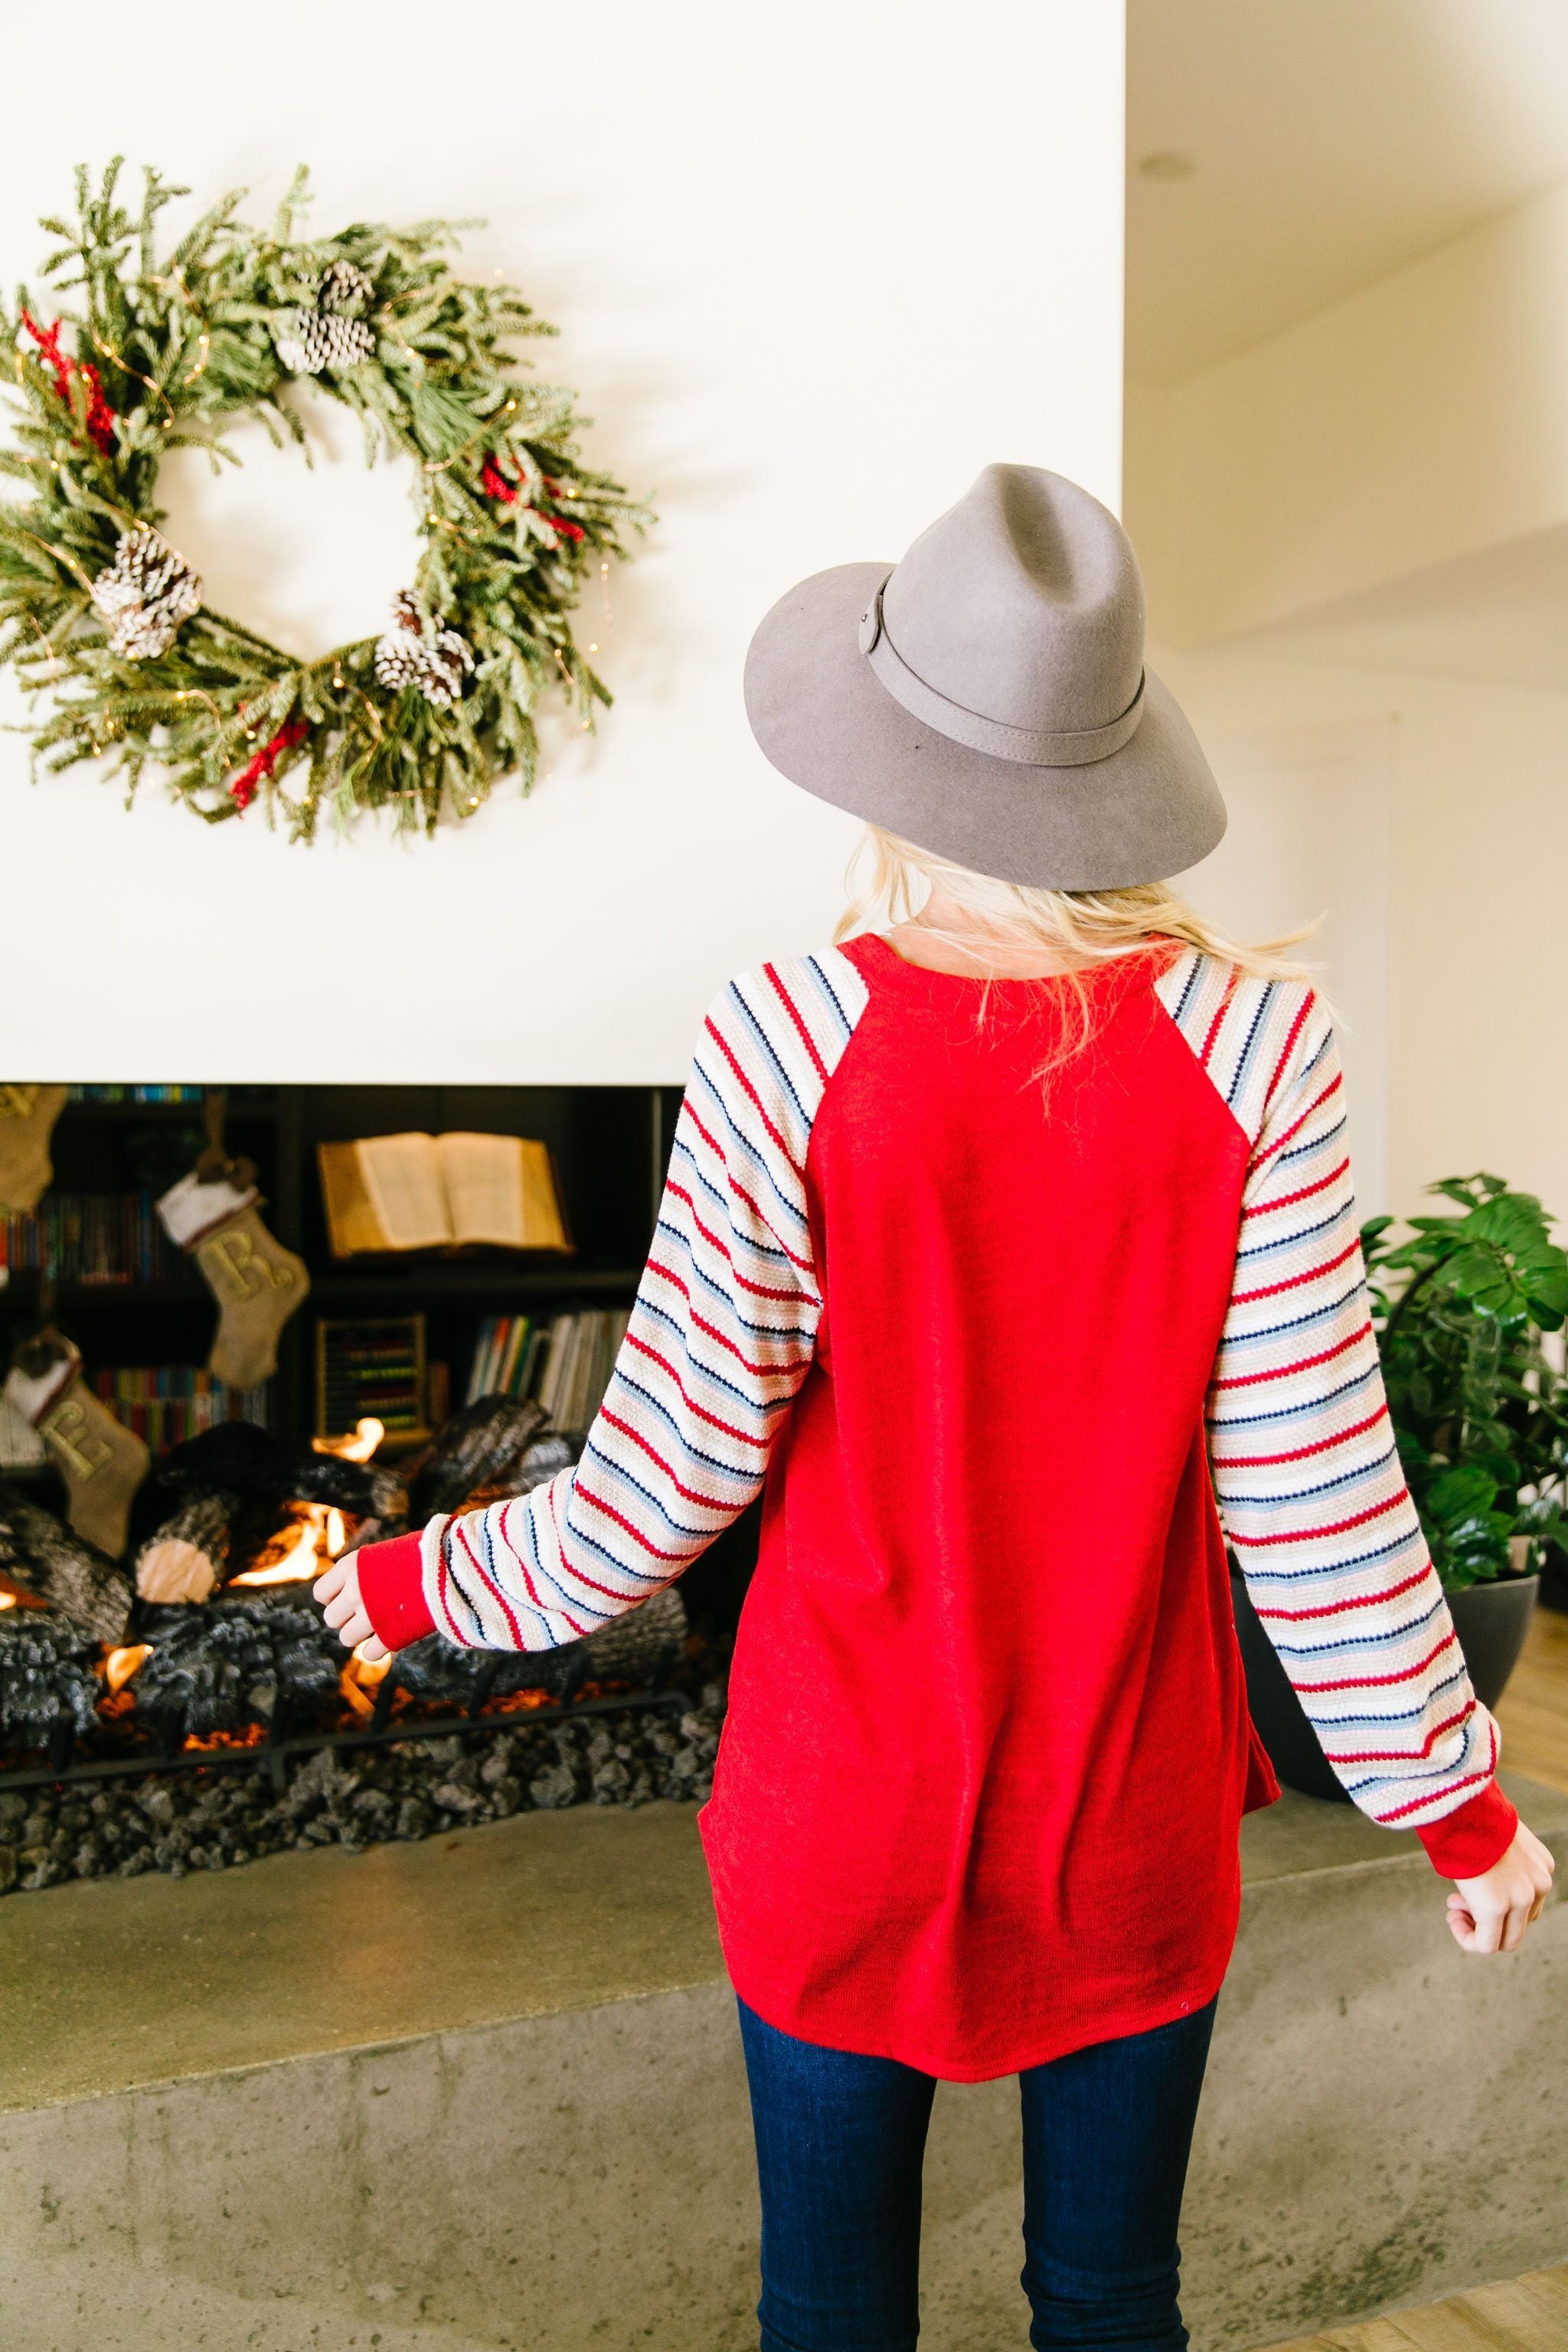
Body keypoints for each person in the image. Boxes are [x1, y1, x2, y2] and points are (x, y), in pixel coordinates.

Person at [316, 466, 1554, 2352]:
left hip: (839, 1809)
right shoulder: (1256, 1045)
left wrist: (419, 1586)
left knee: (827, 2316)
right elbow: (1316, 1498)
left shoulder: (779, 1036)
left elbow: (665, 1483)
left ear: (885, 769)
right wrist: (1456, 1808)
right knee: (1111, 2306)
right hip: (1127, 1814)